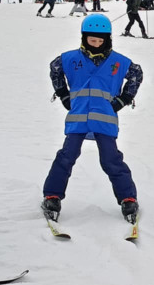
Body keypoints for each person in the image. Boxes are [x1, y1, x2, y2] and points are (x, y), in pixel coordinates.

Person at [41, 13, 143, 223]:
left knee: (111, 160)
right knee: (66, 157)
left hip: (105, 120)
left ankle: (128, 198)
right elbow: (55, 69)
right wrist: (63, 95)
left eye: (100, 41)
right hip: (78, 118)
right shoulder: (71, 59)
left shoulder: (118, 62)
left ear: (107, 40)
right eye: (91, 40)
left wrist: (124, 99)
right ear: (84, 37)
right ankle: (52, 195)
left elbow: (136, 73)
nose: (96, 44)